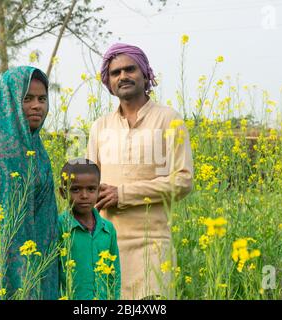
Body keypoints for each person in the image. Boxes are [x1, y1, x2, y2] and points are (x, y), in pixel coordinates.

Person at [87, 43, 194, 299]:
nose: (123, 76)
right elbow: (90, 187)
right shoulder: (100, 127)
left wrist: (124, 194)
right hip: (106, 246)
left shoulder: (169, 119)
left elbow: (183, 181)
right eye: (115, 73)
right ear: (108, 82)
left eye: (130, 69)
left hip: (153, 246)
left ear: (145, 73)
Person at [0, 66, 59, 300]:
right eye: (27, 99)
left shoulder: (35, 147)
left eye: (42, 99)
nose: (37, 106)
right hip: (8, 269)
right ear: (10, 101)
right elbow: (1, 231)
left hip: (38, 261)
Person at [58, 158, 121, 300]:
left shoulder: (108, 229)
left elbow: (114, 274)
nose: (84, 195)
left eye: (91, 189)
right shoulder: (59, 227)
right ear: (63, 193)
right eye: (75, 189)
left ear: (99, 191)